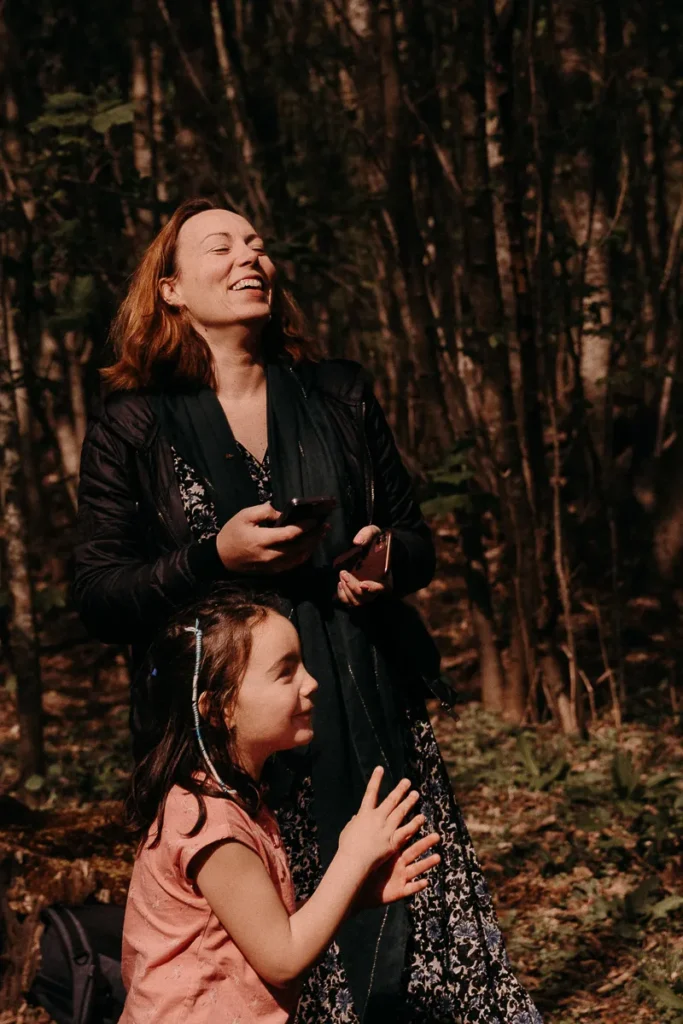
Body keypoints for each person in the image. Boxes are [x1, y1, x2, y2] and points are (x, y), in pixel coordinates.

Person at [74, 197, 543, 1023]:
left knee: (415, 934)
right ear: (172, 289)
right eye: (219, 247)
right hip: (238, 732)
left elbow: (415, 540)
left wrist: (383, 560)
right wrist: (210, 558)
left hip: (363, 700)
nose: (248, 256)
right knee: (282, 960)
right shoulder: (132, 423)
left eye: (256, 242)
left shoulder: (336, 393)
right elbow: (98, 594)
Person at [120, 590, 440, 1024]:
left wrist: (353, 895)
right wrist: (352, 857)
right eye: (285, 672)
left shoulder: (232, 798)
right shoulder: (208, 823)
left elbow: (260, 930)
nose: (311, 683)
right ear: (220, 708)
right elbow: (283, 957)